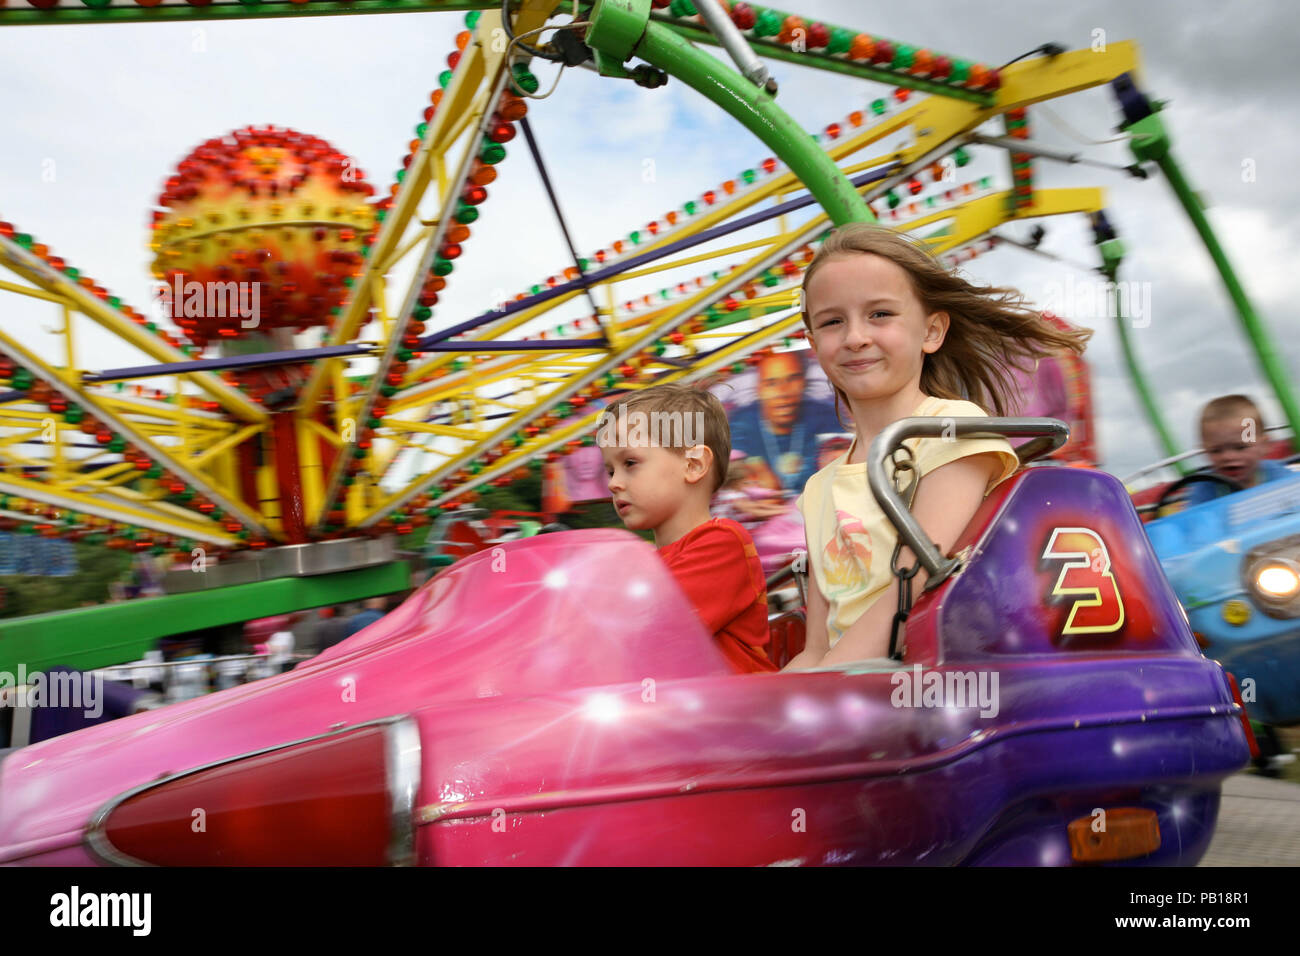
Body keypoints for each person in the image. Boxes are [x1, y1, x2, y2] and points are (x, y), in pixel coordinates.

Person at [784, 224, 1090, 669]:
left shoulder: (951, 431)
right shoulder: (818, 487)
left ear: (932, 331)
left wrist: (818, 688)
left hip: (929, 676)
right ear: (813, 344)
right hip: (849, 687)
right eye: (833, 321)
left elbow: (913, 586)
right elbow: (816, 646)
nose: (854, 337)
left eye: (880, 314)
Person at [599, 383, 777, 674]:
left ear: (693, 465)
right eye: (610, 470)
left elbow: (649, 633)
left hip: (734, 713)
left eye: (630, 463)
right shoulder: (646, 563)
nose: (613, 482)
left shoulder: (721, 542)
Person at [727, 349, 843, 495]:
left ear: (804, 382)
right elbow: (726, 472)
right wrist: (749, 467)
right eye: (771, 383)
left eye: (792, 379)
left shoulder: (826, 416)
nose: (783, 392)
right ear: (759, 389)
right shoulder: (741, 423)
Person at [1183, 395, 1292, 506]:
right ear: (1205, 451)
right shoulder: (1206, 489)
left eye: (1240, 447)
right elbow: (1194, 520)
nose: (1228, 457)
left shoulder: (1279, 477)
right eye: (1216, 450)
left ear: (1265, 445)